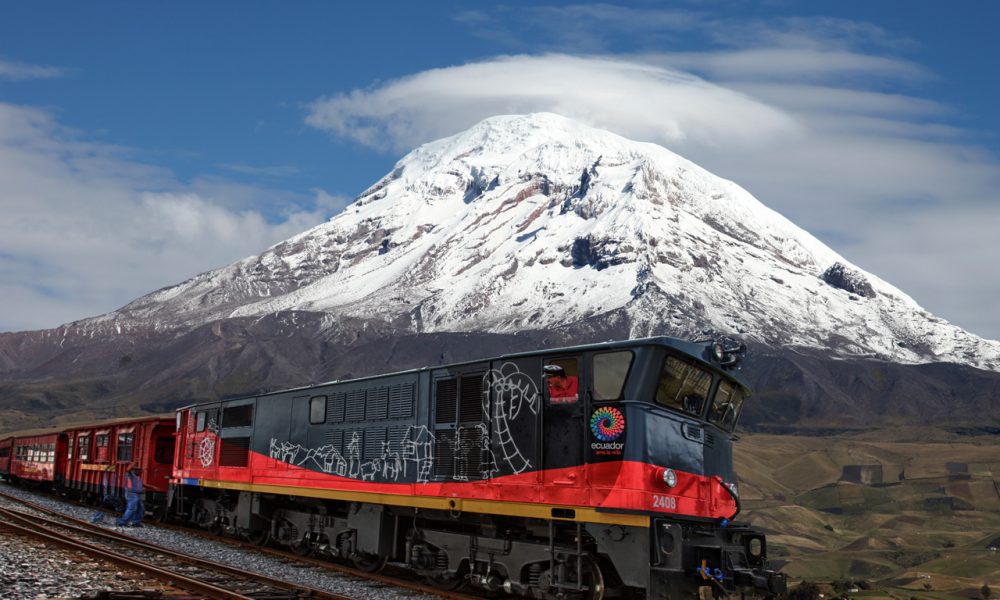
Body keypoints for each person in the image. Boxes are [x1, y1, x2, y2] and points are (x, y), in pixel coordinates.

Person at [116, 463, 144, 527]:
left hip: (137, 494)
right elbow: (128, 469)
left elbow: (141, 484)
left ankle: (136, 523)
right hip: (131, 494)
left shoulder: (137, 478)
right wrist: (134, 462)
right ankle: (122, 523)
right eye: (138, 470)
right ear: (133, 470)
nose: (140, 471)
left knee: (140, 509)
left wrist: (151, 487)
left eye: (140, 470)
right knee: (131, 509)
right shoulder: (130, 475)